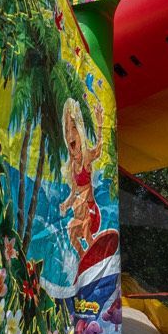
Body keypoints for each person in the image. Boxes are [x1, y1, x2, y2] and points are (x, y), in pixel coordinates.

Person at [60, 97, 105, 254]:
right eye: (66, 130)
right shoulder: (72, 166)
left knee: (82, 207)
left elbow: (98, 150)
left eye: (73, 128)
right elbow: (73, 193)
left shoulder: (86, 157)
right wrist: (65, 204)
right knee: (71, 231)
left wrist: (99, 126)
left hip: (92, 214)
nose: (70, 134)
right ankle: (84, 256)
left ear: (79, 132)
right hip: (80, 214)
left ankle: (94, 248)